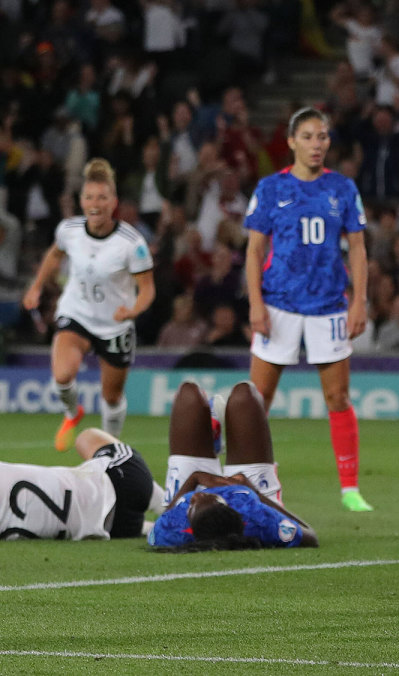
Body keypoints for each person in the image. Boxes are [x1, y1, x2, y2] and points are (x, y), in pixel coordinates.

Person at [244, 107, 373, 512]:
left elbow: (357, 248)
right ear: (291, 141)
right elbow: (254, 250)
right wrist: (255, 304)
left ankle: (350, 489)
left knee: (337, 396)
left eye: (323, 136)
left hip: (328, 306)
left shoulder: (342, 188)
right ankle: (252, 477)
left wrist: (358, 302)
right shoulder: (269, 188)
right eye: (309, 136)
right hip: (278, 304)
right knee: (256, 399)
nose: (317, 144)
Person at [22, 158, 156, 452]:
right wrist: (36, 286)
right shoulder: (68, 230)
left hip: (114, 325)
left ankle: (111, 451)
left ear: (113, 202)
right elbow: (54, 256)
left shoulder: (131, 243)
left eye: (102, 197)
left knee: (111, 397)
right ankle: (72, 413)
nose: (95, 203)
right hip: (76, 313)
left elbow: (147, 290)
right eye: (89, 197)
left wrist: (133, 310)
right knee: (62, 377)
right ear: (81, 201)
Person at [150, 380, 318, 551]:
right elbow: (310, 535)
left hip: (187, 487)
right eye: (205, 497)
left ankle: (210, 441)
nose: (195, 496)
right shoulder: (261, 522)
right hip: (247, 493)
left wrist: (195, 479)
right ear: (227, 506)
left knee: (188, 393)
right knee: (244, 395)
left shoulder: (172, 530)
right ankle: (212, 442)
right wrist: (253, 491)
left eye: (192, 504)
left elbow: (162, 521)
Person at [1, 427, 158, 541]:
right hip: (126, 480)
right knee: (86, 437)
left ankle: (153, 526)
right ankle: (170, 505)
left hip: (115, 528)